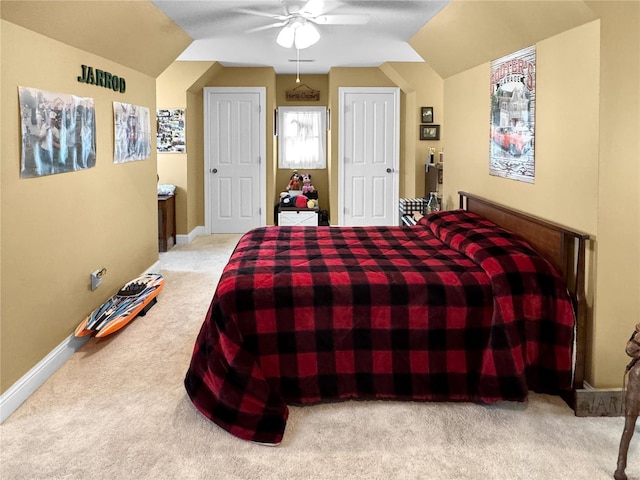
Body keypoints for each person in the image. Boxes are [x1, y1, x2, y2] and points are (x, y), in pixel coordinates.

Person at [614, 323, 640, 480]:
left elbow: (630, 350)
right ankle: (619, 468)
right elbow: (630, 350)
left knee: (628, 429)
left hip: (635, 380)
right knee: (628, 428)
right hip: (636, 381)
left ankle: (620, 468)